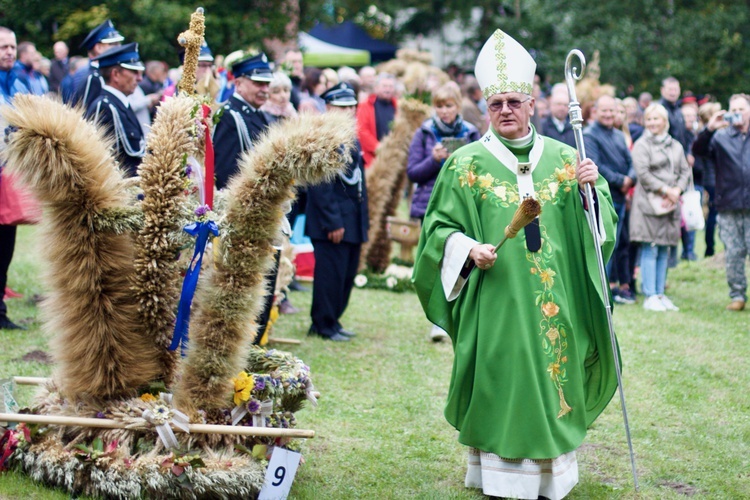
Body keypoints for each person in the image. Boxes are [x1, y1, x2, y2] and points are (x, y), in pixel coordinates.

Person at [413, 29, 618, 499]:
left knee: (554, 375)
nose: (505, 110)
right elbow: (438, 231)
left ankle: (551, 474)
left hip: (556, 299)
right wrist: (467, 248)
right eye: (496, 103)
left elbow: (597, 231)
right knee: (502, 376)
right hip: (497, 298)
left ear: (531, 103)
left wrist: (593, 190)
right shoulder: (465, 164)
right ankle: (501, 475)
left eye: (514, 101)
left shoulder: (569, 159)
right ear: (486, 108)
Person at [408, 82, 480, 342]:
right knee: (437, 260)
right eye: (439, 106)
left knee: (461, 259)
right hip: (430, 206)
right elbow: (413, 172)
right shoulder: (425, 133)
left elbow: (481, 170)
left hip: (462, 206)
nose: (444, 111)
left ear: (458, 106)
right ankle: (438, 320)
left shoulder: (471, 133)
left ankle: (459, 312)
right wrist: (433, 160)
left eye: (448, 105)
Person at [305, 82, 368, 342]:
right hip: (332, 220)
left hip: (351, 217)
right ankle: (323, 324)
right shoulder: (323, 137)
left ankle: (334, 319)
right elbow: (320, 185)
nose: (348, 111)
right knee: (330, 274)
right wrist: (333, 222)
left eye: (351, 106)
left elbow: (357, 179)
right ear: (328, 107)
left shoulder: (349, 135)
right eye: (341, 106)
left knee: (346, 272)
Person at [629, 103, 690, 312]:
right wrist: (666, 190)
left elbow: (685, 171)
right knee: (651, 247)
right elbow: (643, 174)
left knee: (665, 247)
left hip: (671, 204)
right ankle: (650, 294)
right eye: (649, 119)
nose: (653, 123)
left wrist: (677, 191)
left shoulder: (675, 145)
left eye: (657, 119)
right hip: (649, 204)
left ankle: (660, 293)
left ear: (665, 121)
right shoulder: (642, 145)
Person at [692, 94, 750, 311]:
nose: (737, 113)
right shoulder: (721, 136)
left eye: (742, 109)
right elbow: (697, 150)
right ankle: (737, 295)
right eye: (733, 109)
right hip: (729, 203)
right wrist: (709, 128)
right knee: (733, 252)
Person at [585, 95, 637, 304]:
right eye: (604, 110)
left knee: (616, 245)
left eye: (611, 111)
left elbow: (630, 161)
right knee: (604, 245)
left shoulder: (617, 135)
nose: (608, 114)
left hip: (621, 197)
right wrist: (620, 180)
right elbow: (595, 166)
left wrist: (630, 179)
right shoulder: (589, 135)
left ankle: (611, 288)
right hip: (603, 198)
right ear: (596, 111)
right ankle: (602, 292)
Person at [0, 26, 30, 330]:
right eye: (2, 47)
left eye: (11, 46)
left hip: (6, 176)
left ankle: (0, 310)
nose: (8, 52)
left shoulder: (18, 84)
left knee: (5, 247)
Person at [213, 52, 274, 189]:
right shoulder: (229, 116)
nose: (265, 90)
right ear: (239, 84)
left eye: (267, 84)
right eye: (258, 83)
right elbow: (226, 173)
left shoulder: (257, 112)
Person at [84, 43, 146, 177]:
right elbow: (100, 161)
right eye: (134, 72)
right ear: (116, 74)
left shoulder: (120, 104)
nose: (139, 78)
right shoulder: (104, 106)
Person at [68, 19, 125, 108]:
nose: (119, 47)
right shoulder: (93, 78)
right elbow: (87, 116)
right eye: (114, 44)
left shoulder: (100, 74)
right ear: (98, 48)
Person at [695, 101, 721, 257]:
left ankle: (709, 247)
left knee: (712, 212)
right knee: (714, 213)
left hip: (709, 179)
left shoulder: (702, 133)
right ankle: (710, 248)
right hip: (714, 179)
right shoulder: (709, 135)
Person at [356, 73, 398, 168]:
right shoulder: (365, 106)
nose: (387, 89)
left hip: (393, 156)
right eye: (384, 86)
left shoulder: (398, 107)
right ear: (377, 87)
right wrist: (378, 147)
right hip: (372, 157)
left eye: (390, 86)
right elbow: (362, 130)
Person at [541, 83, 576, 148]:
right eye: (559, 104)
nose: (562, 108)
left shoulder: (574, 127)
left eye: (565, 105)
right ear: (551, 105)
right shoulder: (542, 126)